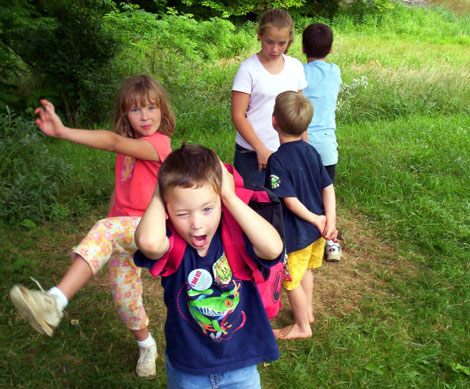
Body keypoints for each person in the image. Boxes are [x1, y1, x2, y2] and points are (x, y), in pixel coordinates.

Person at [10, 74, 175, 378]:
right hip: (125, 229)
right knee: (123, 295)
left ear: (163, 109)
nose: (145, 116)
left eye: (151, 108)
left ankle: (54, 302)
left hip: (153, 228)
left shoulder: (159, 144)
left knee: (105, 229)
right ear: (125, 114)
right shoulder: (131, 147)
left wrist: (62, 132)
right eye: (136, 110)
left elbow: (111, 141)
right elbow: (121, 191)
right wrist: (105, 228)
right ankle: (147, 345)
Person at [133, 144, 284, 388]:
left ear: (220, 203)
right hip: (188, 370)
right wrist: (158, 193)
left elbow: (272, 248)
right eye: (182, 213)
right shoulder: (171, 244)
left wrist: (230, 196)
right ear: (167, 210)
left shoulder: (235, 236)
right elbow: (148, 242)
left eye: (207, 209)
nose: (196, 224)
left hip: (241, 367)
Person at [266, 91, 338, 340]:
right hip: (316, 233)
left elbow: (290, 201)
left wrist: (318, 219)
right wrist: (329, 220)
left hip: (296, 234)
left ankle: (301, 327)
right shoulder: (311, 151)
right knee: (306, 270)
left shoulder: (277, 160)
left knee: (291, 281)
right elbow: (328, 187)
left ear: (274, 121)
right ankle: (307, 313)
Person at [231, 8, 307, 186]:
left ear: (289, 41)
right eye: (269, 42)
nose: (275, 49)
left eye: (281, 43)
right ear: (259, 35)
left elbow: (298, 112)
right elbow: (238, 115)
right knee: (253, 206)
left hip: (287, 150)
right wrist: (259, 148)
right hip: (251, 153)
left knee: (285, 205)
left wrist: (304, 148)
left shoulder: (295, 67)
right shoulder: (248, 69)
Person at [302, 22, 343, 262]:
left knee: (303, 194)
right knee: (325, 193)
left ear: (303, 48)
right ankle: (331, 242)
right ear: (330, 49)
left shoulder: (299, 73)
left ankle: (305, 237)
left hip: (304, 143)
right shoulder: (335, 71)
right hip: (327, 147)